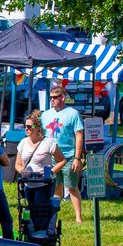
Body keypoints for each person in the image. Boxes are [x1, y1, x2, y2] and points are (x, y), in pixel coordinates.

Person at [41, 85, 84, 223]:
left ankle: (78, 217)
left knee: (71, 186)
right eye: (51, 97)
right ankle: (54, 215)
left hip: (69, 155)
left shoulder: (73, 114)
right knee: (56, 186)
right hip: (52, 157)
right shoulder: (45, 115)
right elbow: (42, 134)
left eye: (55, 97)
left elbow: (79, 136)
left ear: (63, 97)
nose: (52, 100)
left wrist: (77, 158)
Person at [15, 111, 66, 211]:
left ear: (37, 127)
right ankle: (31, 227)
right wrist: (22, 171)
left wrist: (50, 172)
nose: (26, 128)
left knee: (40, 210)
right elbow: (17, 164)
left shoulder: (48, 143)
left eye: (29, 126)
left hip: (43, 184)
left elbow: (62, 161)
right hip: (28, 183)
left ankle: (42, 226)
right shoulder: (23, 143)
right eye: (25, 126)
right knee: (28, 211)